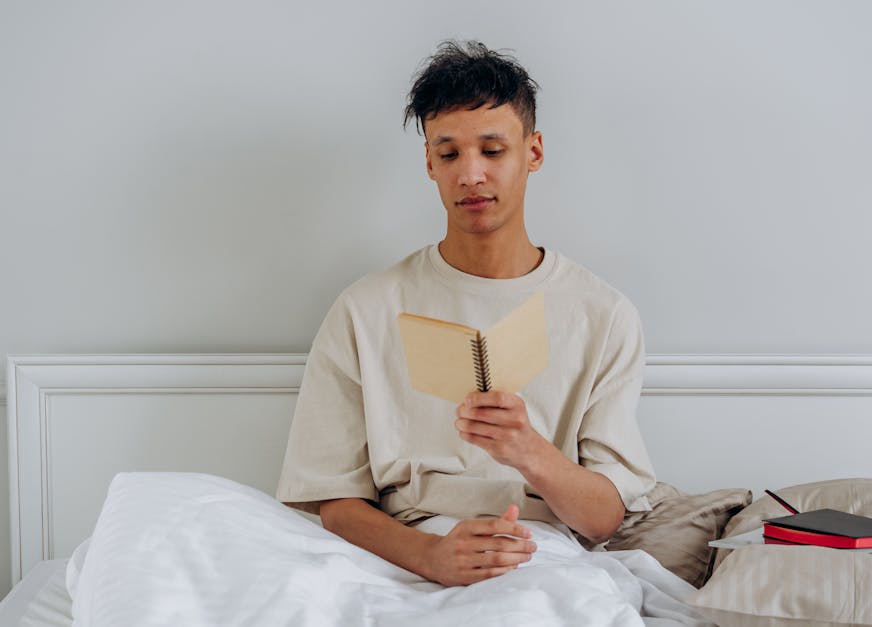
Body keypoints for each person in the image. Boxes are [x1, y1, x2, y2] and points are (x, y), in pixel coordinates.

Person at [276, 40, 656, 588]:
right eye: (450, 154)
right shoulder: (366, 308)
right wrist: (431, 555)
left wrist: (529, 451)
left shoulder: (603, 314)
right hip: (403, 551)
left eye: (492, 151)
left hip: (541, 553)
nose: (471, 175)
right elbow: (335, 501)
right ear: (429, 163)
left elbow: (604, 518)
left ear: (533, 152)